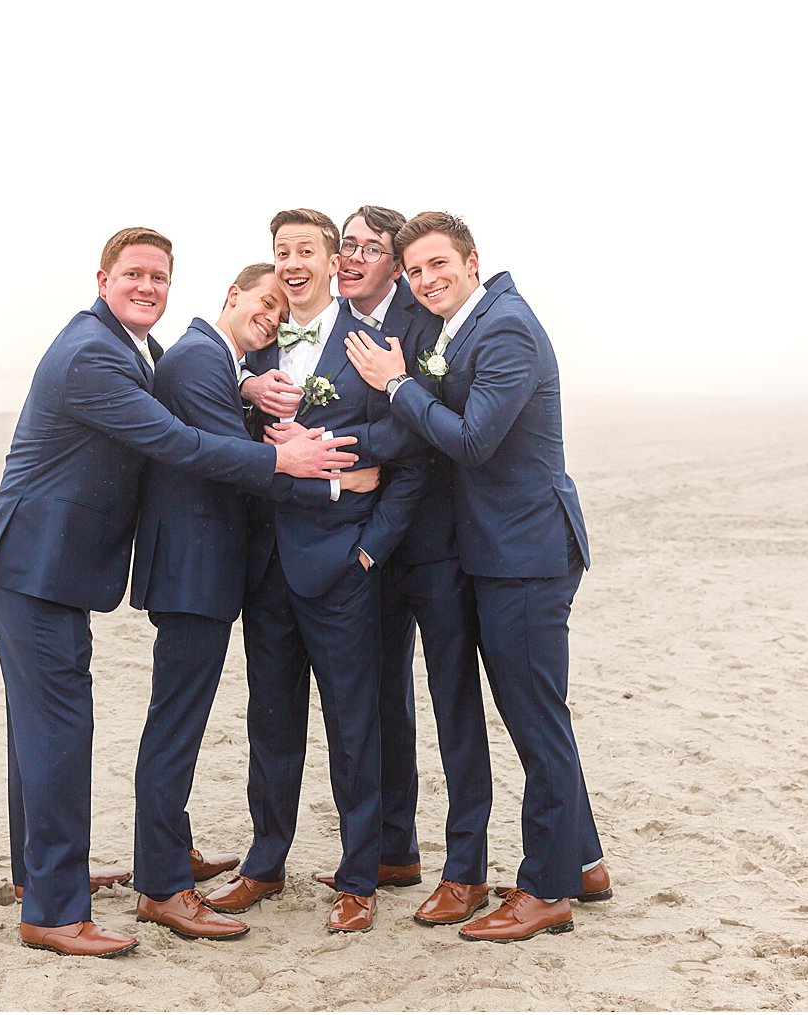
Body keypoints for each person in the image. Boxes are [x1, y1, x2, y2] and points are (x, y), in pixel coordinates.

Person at [0, 227, 360, 958]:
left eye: (159, 277)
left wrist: (244, 383)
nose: (147, 287)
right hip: (34, 560)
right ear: (102, 278)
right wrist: (282, 457)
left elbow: (178, 378)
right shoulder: (93, 352)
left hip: (49, 564)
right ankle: (55, 909)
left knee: (41, 728)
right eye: (135, 275)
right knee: (60, 730)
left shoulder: (134, 348)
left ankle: (40, 875)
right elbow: (175, 440)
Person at [343, 212, 611, 943]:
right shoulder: (458, 326)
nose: (428, 280)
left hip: (525, 552)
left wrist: (397, 383)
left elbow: (471, 438)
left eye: (439, 265)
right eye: (418, 269)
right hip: (496, 550)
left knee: (535, 719)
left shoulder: (505, 328)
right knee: (535, 711)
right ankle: (582, 861)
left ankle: (546, 889)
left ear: (472, 261)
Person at [128, 263, 381, 941]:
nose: (270, 313)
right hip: (219, 574)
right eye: (260, 300)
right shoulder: (202, 359)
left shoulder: (272, 356)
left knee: (352, 723)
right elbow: (231, 455)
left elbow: (391, 448)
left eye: (278, 304)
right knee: (248, 724)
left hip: (321, 571)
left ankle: (361, 875)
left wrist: (356, 505)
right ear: (230, 297)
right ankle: (229, 865)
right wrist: (320, 473)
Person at [204, 210, 423, 934]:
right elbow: (231, 441)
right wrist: (246, 394)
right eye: (281, 252)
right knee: (269, 722)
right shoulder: (257, 352)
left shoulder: (368, 344)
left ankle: (360, 875)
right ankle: (265, 862)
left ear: (334, 261)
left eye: (306, 251)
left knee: (354, 724)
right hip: (265, 568)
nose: (292, 263)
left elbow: (403, 438)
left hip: (341, 566)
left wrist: (363, 530)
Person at [274, 205, 494, 927]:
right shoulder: (333, 322)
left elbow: (423, 436)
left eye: (370, 248)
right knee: (383, 702)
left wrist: (356, 462)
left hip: (426, 545)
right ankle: (394, 848)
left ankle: (464, 869)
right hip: (363, 555)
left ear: (395, 263)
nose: (350, 258)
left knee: (452, 703)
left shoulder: (423, 320)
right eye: (350, 245)